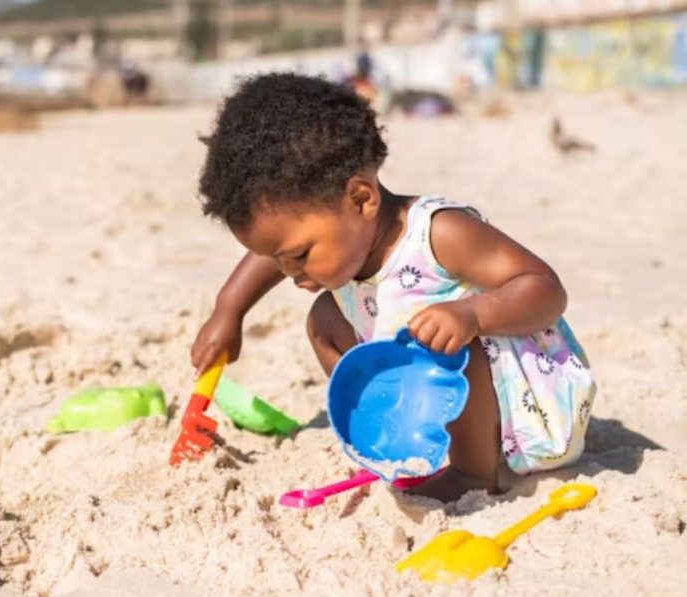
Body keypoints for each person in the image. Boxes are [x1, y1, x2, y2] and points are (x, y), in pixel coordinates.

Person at [190, 73, 596, 502]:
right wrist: (229, 310)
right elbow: (271, 250)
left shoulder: (440, 234)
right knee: (325, 318)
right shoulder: (331, 235)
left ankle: (474, 472)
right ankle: (391, 434)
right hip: (439, 394)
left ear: (361, 199)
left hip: (525, 412)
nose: (288, 271)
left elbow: (546, 290)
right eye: (278, 257)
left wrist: (472, 314)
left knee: (447, 342)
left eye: (300, 255)